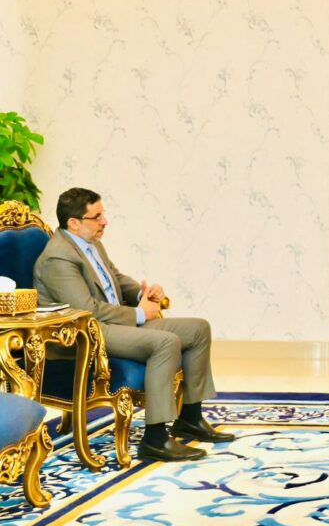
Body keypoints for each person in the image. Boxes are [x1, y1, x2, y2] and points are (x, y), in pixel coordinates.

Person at [33, 187, 235, 463]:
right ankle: (155, 439)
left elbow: (115, 278)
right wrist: (140, 313)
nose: (104, 221)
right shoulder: (58, 257)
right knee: (166, 342)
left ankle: (189, 418)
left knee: (198, 329)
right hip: (89, 332)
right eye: (97, 217)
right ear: (74, 223)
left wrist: (143, 293)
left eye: (103, 214)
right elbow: (87, 310)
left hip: (114, 322)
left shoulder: (90, 242)